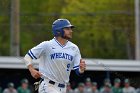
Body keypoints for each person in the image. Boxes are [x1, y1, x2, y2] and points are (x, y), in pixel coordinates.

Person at [23, 19, 86, 93]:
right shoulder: (47, 45)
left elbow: (77, 70)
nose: (71, 31)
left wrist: (81, 70)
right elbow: (27, 56)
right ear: (59, 30)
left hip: (63, 88)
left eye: (70, 29)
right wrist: (31, 70)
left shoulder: (74, 48)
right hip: (48, 85)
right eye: (67, 29)